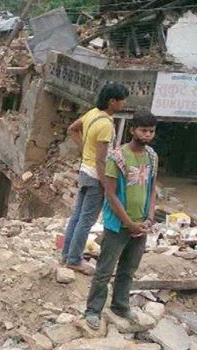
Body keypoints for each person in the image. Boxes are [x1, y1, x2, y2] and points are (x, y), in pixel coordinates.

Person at [84, 110, 158, 330]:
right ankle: (93, 310)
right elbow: (111, 193)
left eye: (151, 131)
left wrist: (150, 217)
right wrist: (128, 222)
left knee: (128, 269)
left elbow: (152, 188)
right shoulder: (116, 157)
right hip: (118, 225)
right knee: (105, 270)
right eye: (143, 130)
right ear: (133, 129)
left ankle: (120, 305)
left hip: (140, 224)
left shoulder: (152, 156)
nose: (147, 135)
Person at [62, 83, 130, 274]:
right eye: (122, 100)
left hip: (84, 171)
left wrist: (85, 149)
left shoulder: (92, 113)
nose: (124, 103)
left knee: (77, 217)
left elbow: (72, 129)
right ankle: (74, 259)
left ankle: (67, 254)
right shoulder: (106, 124)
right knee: (86, 221)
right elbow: (101, 160)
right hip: (94, 176)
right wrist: (107, 185)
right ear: (112, 101)